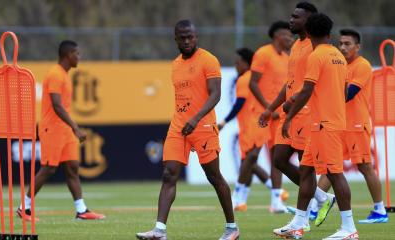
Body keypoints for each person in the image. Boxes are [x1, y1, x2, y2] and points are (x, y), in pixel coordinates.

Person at [136, 20, 239, 240]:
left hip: (202, 126)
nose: (186, 41)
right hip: (178, 126)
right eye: (182, 37)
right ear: (175, 39)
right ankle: (159, 231)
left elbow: (216, 94)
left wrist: (196, 118)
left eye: (190, 36)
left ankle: (232, 227)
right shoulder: (175, 64)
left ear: (196, 36)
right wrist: (185, 120)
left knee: (214, 177)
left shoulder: (209, 60)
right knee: (168, 174)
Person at [273, 13, 359, 239]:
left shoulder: (316, 55)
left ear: (308, 33)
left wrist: (289, 116)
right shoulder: (338, 56)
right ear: (330, 34)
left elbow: (308, 90)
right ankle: (298, 224)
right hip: (323, 122)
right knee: (306, 171)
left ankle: (349, 229)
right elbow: (343, 90)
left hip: (325, 123)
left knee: (335, 173)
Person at [259, 2, 334, 227]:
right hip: (290, 112)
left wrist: (291, 105)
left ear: (309, 19)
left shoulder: (315, 46)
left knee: (306, 167)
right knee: (279, 159)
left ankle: (302, 221)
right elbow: (290, 83)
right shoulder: (296, 46)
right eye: (291, 16)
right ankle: (321, 197)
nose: (290, 20)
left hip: (307, 113)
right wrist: (271, 108)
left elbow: (312, 85)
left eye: (296, 17)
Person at [17, 40, 105, 221]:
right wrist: (76, 127)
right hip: (52, 129)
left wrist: (71, 128)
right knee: (49, 168)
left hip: (65, 130)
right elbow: (57, 106)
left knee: (72, 167)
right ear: (68, 55)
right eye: (77, 54)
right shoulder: (55, 74)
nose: (79, 58)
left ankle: (81, 211)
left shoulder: (65, 75)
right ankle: (24, 208)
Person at [315, 29, 388, 225]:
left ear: (358, 47)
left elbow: (348, 94)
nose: (343, 47)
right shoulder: (340, 65)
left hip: (356, 125)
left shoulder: (362, 66)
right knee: (332, 165)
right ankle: (315, 207)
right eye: (341, 43)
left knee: (364, 166)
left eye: (347, 44)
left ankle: (380, 210)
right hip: (340, 125)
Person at [219, 21, 293, 213]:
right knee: (252, 156)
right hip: (261, 114)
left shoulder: (287, 58)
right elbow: (254, 84)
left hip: (280, 115)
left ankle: (276, 200)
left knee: (277, 157)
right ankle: (238, 196)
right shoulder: (263, 53)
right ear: (278, 35)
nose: (290, 39)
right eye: (287, 35)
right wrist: (269, 108)